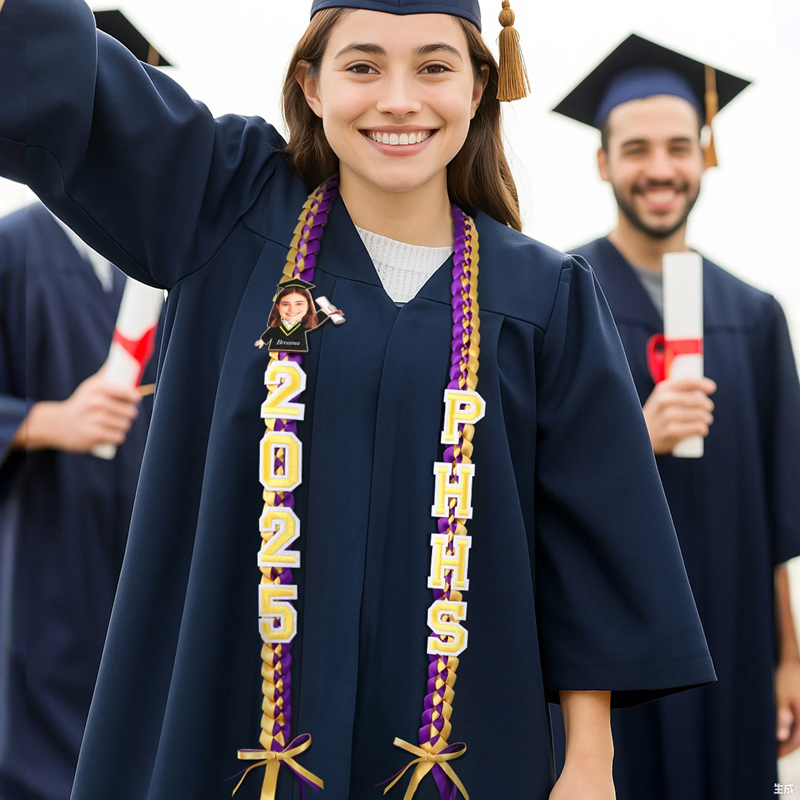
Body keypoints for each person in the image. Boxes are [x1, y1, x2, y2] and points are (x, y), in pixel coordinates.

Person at [0, 3, 717, 799]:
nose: (400, 100)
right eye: (362, 66)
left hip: (458, 746)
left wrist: (590, 760)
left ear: (481, 87)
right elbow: (76, 84)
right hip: (228, 731)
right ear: (309, 84)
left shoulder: (542, 297)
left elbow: (590, 541)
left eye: (436, 67)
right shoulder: (225, 209)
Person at [553, 33, 800, 800]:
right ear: (603, 162)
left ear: (704, 155)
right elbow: (519, 493)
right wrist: (637, 441)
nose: (659, 169)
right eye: (635, 149)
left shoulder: (753, 316)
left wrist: (788, 660)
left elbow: (776, 515)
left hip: (732, 635)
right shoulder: (556, 299)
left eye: (678, 147)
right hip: (606, 651)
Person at [0, 200, 156, 800]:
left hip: (140, 541)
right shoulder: (14, 250)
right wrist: (45, 421)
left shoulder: (150, 264)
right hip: (44, 545)